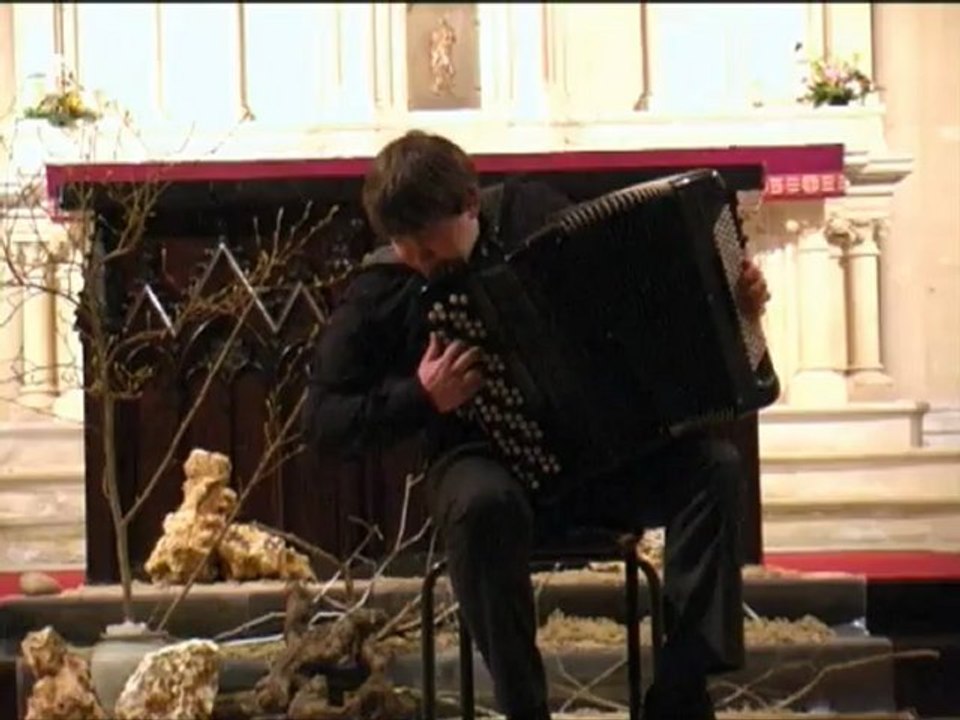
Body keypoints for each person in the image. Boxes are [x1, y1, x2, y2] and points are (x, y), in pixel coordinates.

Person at [303, 130, 772, 720]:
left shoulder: (536, 216)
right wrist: (421, 396)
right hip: (482, 465)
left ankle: (680, 697)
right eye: (405, 247)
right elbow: (322, 420)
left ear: (470, 203)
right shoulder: (384, 288)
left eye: (428, 244)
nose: (419, 262)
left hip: (599, 463)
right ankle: (526, 710)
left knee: (714, 470)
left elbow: (655, 298)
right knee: (483, 507)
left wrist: (736, 300)